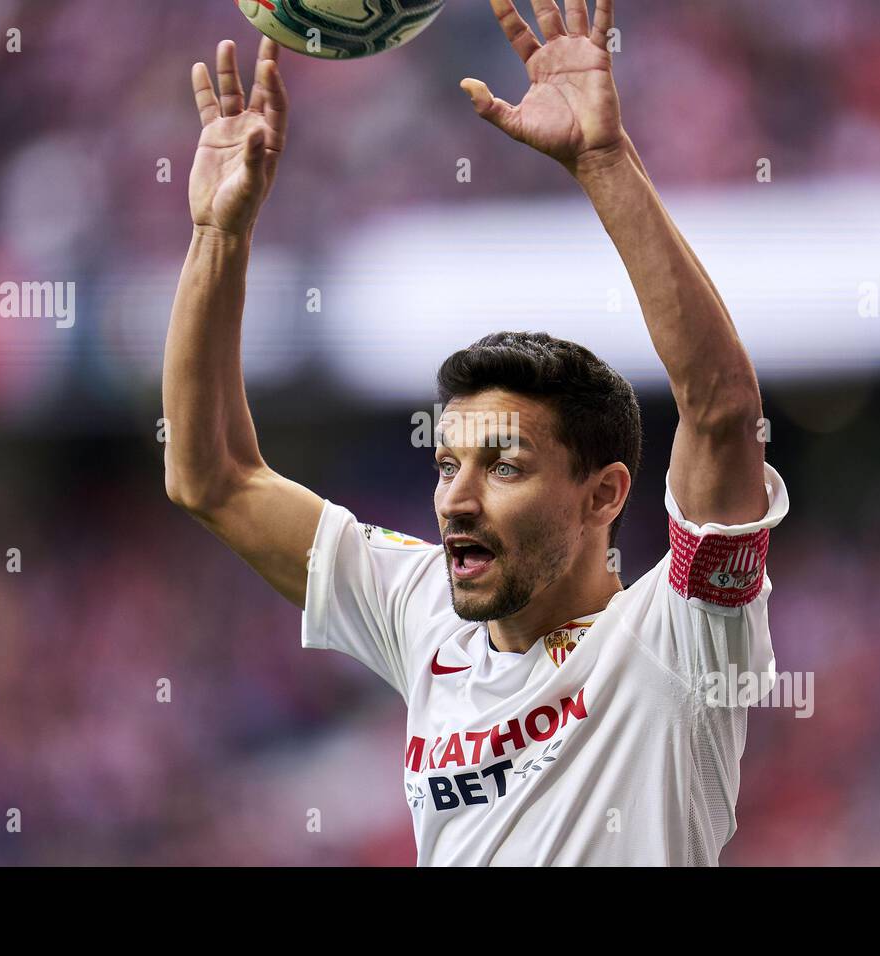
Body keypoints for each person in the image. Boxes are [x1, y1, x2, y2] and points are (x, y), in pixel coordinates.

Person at [163, 0, 788, 866]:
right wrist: (217, 235)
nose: (456, 497)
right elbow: (213, 479)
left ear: (604, 493)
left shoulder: (680, 639)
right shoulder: (424, 615)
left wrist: (604, 162)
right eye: (448, 461)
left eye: (505, 466)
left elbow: (720, 410)